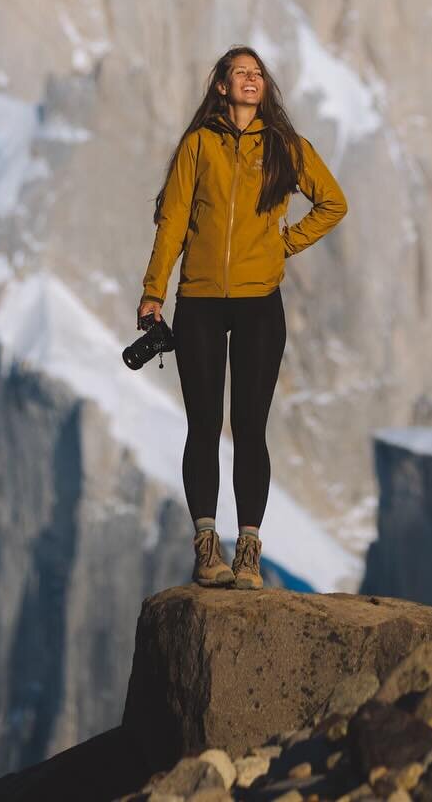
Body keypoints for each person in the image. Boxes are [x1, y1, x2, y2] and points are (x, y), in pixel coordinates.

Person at [137, 45, 349, 590]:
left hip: (260, 302)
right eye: (240, 73)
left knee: (250, 428)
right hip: (200, 302)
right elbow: (173, 221)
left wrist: (285, 245)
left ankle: (249, 551)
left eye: (257, 74)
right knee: (203, 427)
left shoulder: (284, 146)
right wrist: (153, 292)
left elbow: (333, 203)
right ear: (222, 87)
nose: (251, 80)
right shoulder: (198, 145)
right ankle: (207, 548)